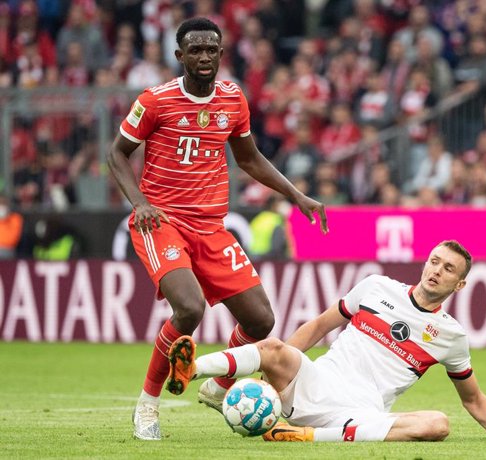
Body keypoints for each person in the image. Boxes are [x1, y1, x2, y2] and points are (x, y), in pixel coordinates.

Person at [106, 17, 328, 441]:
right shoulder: (155, 100)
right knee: (189, 308)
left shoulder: (233, 99)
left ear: (222, 54)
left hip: (211, 226)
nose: (204, 57)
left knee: (261, 319)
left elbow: (249, 158)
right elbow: (117, 154)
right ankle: (147, 408)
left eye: (212, 49)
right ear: (180, 56)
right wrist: (141, 204)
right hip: (162, 222)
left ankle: (217, 385)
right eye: (195, 50)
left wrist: (296, 195)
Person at [166, 240, 486, 443]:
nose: (437, 270)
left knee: (438, 424)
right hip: (317, 382)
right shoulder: (377, 287)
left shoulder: (451, 336)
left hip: (359, 412)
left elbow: (472, 398)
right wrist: (278, 373)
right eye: (435, 261)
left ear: (460, 284)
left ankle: (307, 438)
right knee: (274, 348)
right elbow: (318, 326)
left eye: (449, 268)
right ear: (425, 262)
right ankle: (193, 369)